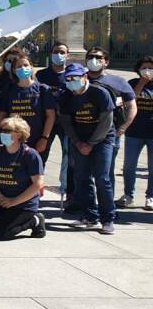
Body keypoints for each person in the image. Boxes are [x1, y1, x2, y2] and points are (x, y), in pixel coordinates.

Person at [59, 63, 117, 234]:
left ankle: (108, 218)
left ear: (85, 77)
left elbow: (106, 122)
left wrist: (91, 144)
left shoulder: (100, 93)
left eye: (75, 78)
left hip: (102, 140)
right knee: (82, 178)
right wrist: (78, 143)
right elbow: (66, 123)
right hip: (79, 141)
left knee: (102, 178)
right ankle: (90, 216)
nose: (71, 82)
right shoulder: (65, 97)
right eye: (68, 79)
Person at [0, 116, 46, 240]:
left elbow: (38, 184)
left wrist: (13, 202)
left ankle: (34, 220)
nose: (3, 134)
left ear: (19, 135)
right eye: (2, 130)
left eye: (7, 131)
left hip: (23, 203)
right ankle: (8, 217)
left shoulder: (30, 155)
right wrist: (0, 197)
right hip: (2, 198)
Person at [84, 47, 137, 192]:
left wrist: (122, 129)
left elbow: (132, 106)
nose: (93, 60)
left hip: (109, 135)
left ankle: (107, 205)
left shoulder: (118, 82)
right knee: (82, 172)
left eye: (98, 57)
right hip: (83, 133)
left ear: (106, 62)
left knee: (105, 173)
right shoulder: (79, 79)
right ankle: (85, 204)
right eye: (90, 57)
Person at [0, 55, 56, 162]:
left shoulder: (43, 89)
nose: (23, 68)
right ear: (14, 70)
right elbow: (2, 115)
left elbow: (50, 116)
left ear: (31, 67)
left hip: (37, 140)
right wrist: (4, 135)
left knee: (36, 174)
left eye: (25, 65)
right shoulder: (9, 90)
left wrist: (44, 138)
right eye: (19, 66)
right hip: (13, 140)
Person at [37, 42, 73, 205]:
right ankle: (36, 189)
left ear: (68, 55)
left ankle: (69, 192)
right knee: (41, 155)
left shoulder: (73, 73)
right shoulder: (42, 75)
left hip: (68, 123)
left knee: (70, 159)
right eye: (55, 52)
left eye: (62, 52)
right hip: (47, 123)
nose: (58, 54)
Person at [121, 56, 153, 211]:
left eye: (151, 68)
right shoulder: (133, 83)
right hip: (134, 132)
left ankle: (151, 196)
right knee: (129, 166)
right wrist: (142, 83)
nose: (148, 70)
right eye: (144, 67)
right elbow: (130, 101)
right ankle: (128, 195)